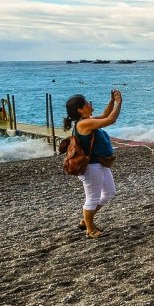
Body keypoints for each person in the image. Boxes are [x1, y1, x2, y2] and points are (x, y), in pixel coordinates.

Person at [63, 90, 122, 238]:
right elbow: (110, 120)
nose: (90, 104)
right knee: (92, 198)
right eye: (87, 103)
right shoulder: (84, 124)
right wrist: (119, 103)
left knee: (109, 193)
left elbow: (104, 116)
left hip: (100, 163)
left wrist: (112, 102)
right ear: (80, 110)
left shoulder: (88, 120)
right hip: (91, 166)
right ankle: (90, 230)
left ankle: (85, 220)